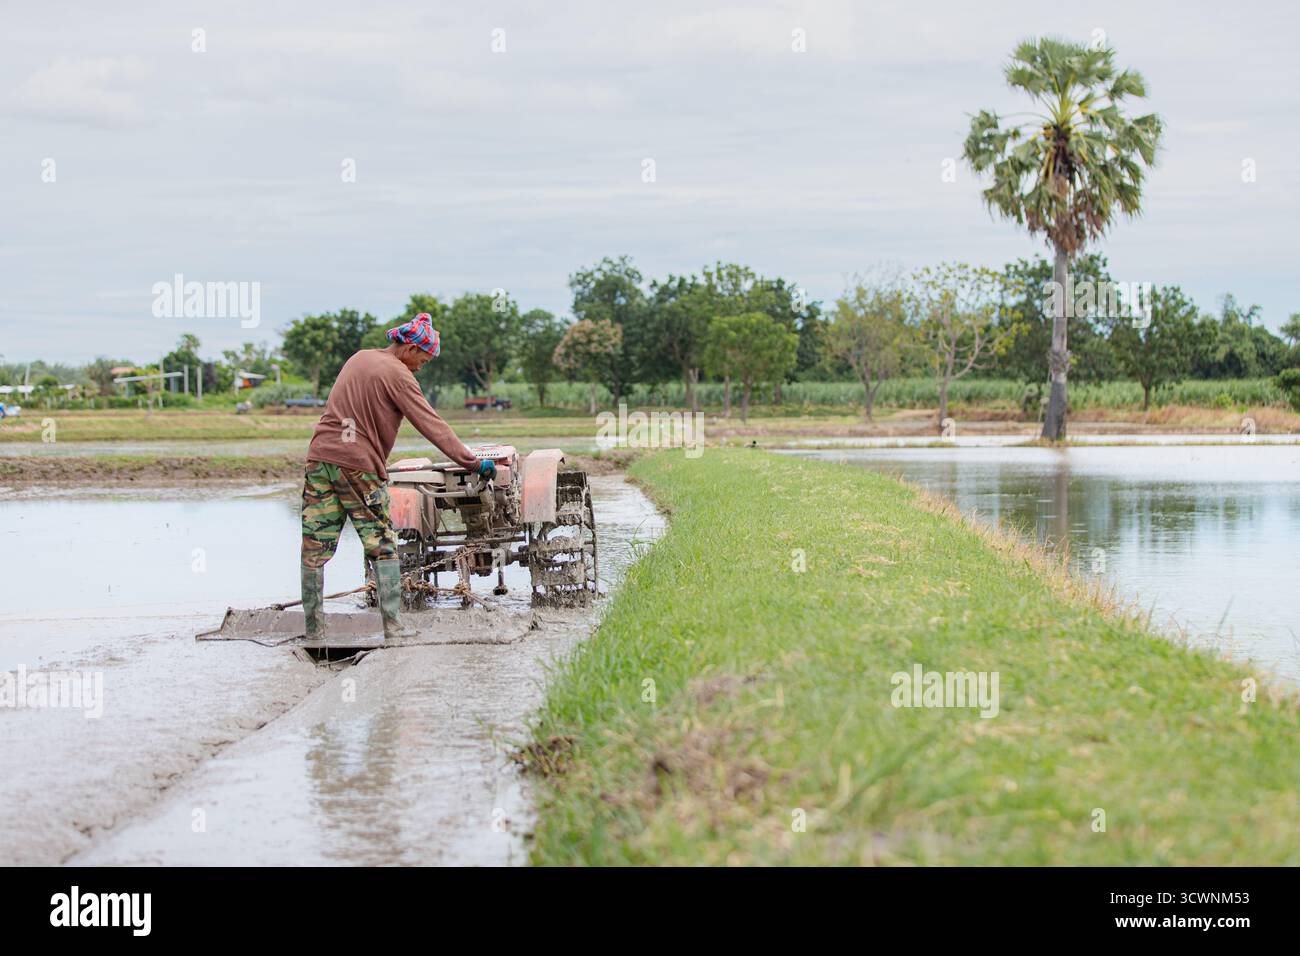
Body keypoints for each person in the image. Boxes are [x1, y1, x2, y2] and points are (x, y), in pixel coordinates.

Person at [299, 313, 496, 640]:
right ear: (409, 347)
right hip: (358, 464)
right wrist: (473, 463)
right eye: (423, 357)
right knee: (383, 545)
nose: (422, 365)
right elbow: (432, 426)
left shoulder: (359, 358)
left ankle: (314, 631)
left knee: (313, 547)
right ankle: (394, 628)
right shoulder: (399, 375)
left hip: (320, 457)